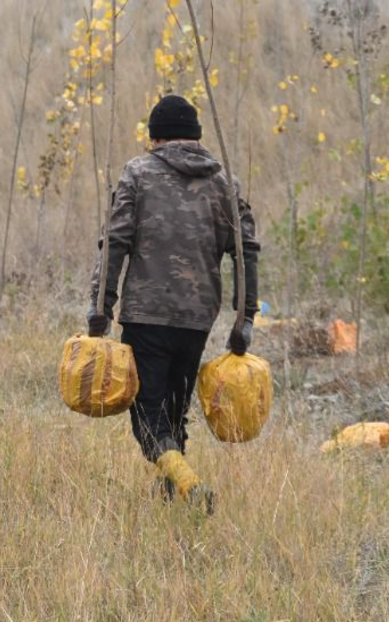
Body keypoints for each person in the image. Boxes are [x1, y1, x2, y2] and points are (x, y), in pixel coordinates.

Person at [86, 94, 259, 514]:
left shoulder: (138, 172)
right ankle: (170, 500)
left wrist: (100, 307)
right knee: (175, 412)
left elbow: (116, 241)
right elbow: (246, 250)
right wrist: (246, 317)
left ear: (156, 137)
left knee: (148, 418)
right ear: (196, 136)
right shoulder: (225, 182)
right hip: (198, 318)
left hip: (147, 315)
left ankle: (190, 486)